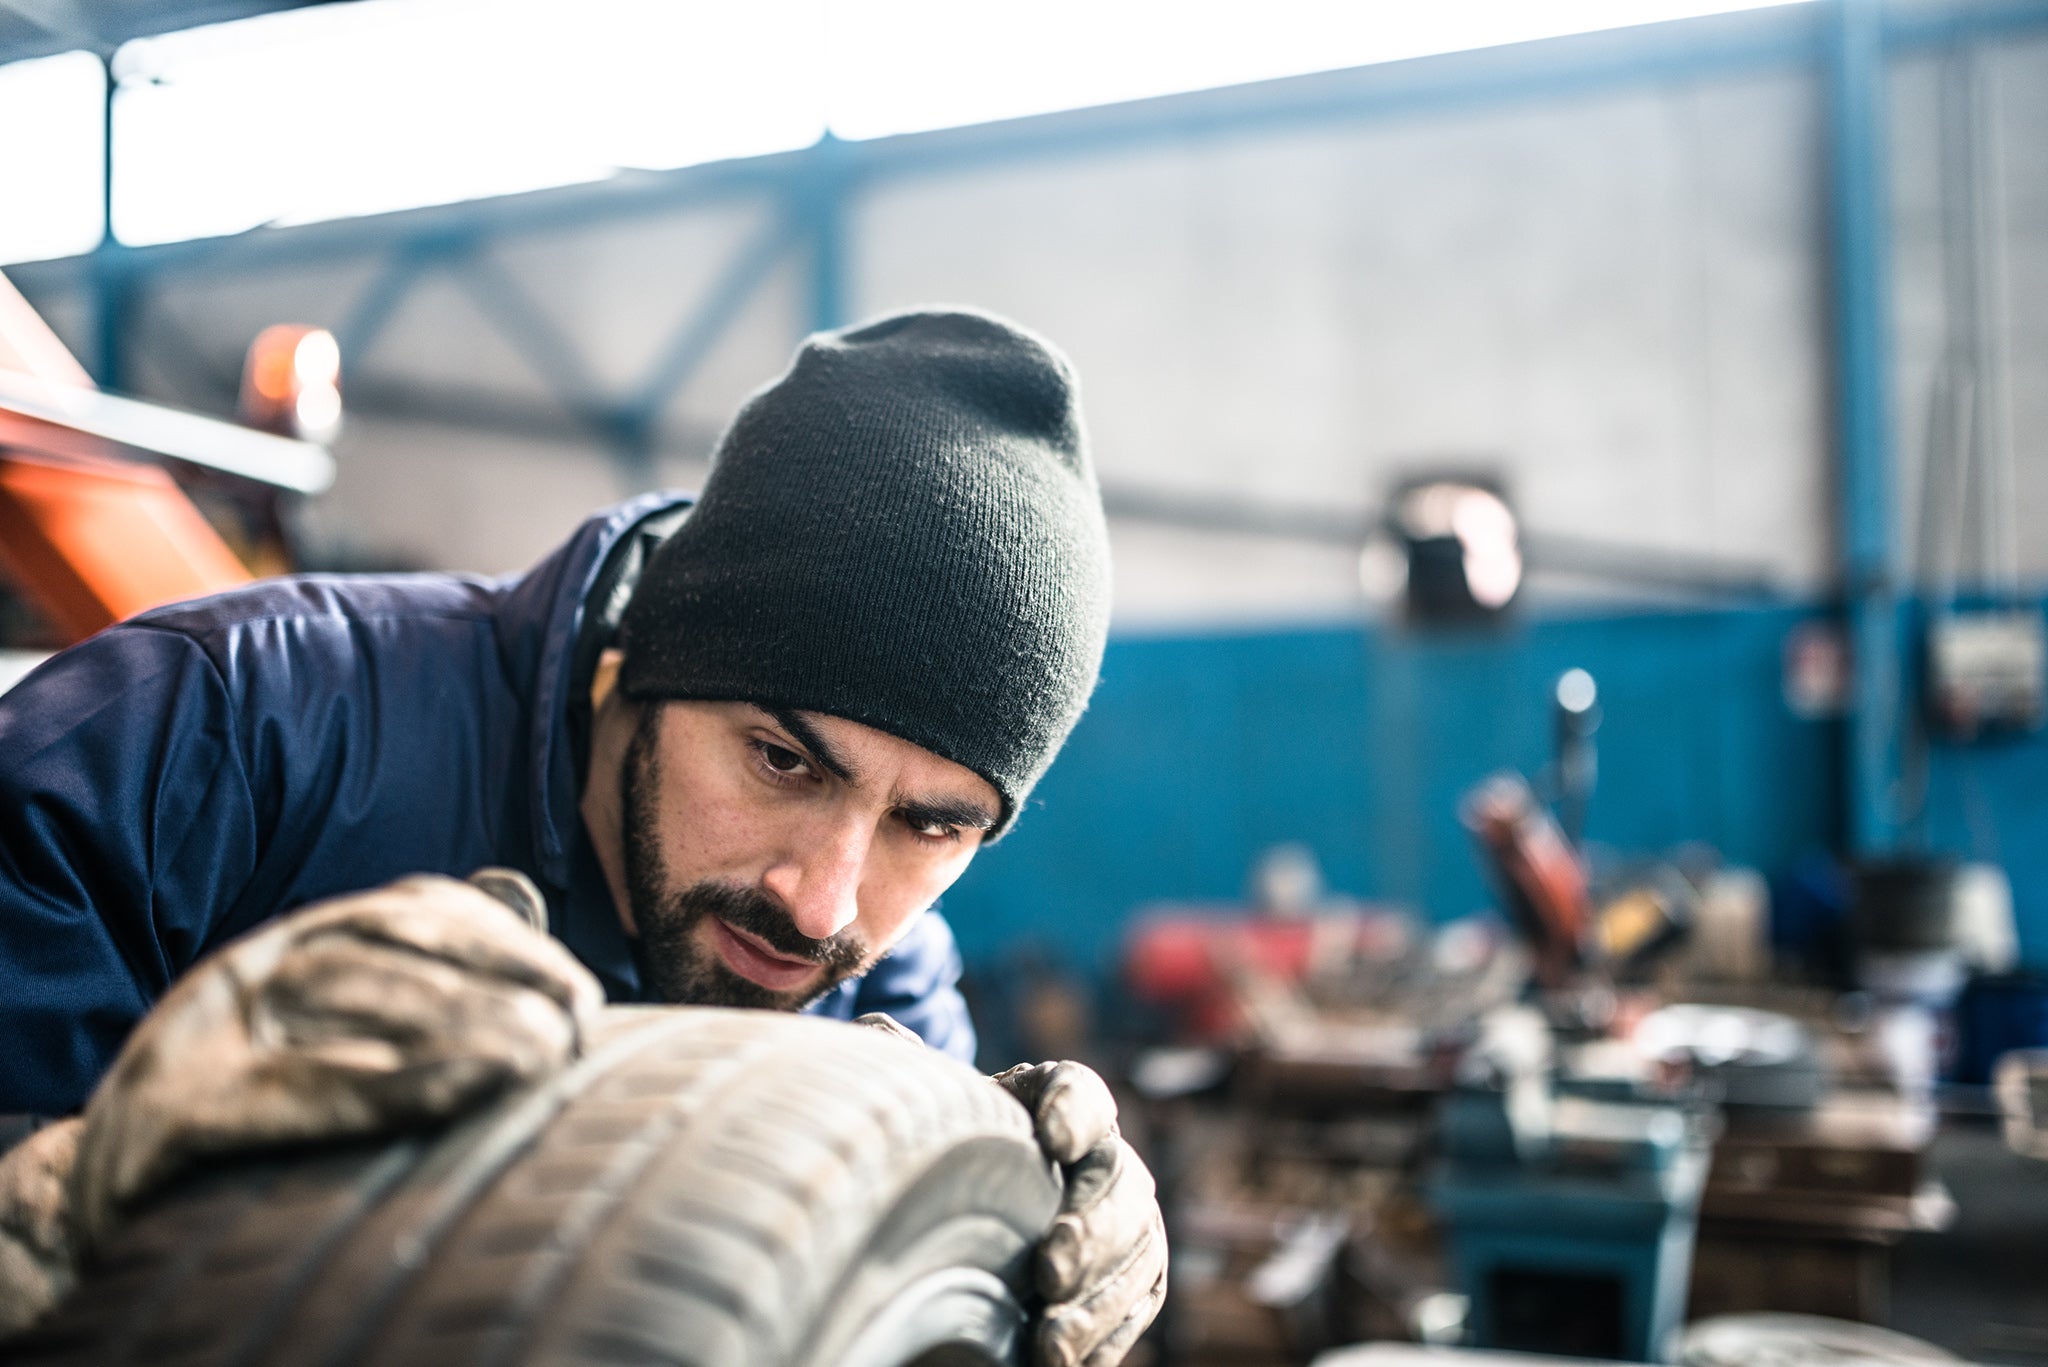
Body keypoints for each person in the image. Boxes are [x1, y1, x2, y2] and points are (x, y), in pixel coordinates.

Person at [0, 309, 1162, 1366]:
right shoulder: (208, 731)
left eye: (929, 824)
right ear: (650, 660)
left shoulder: (884, 978)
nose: (823, 902)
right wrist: (72, 1182)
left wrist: (1027, 1231)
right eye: (782, 760)